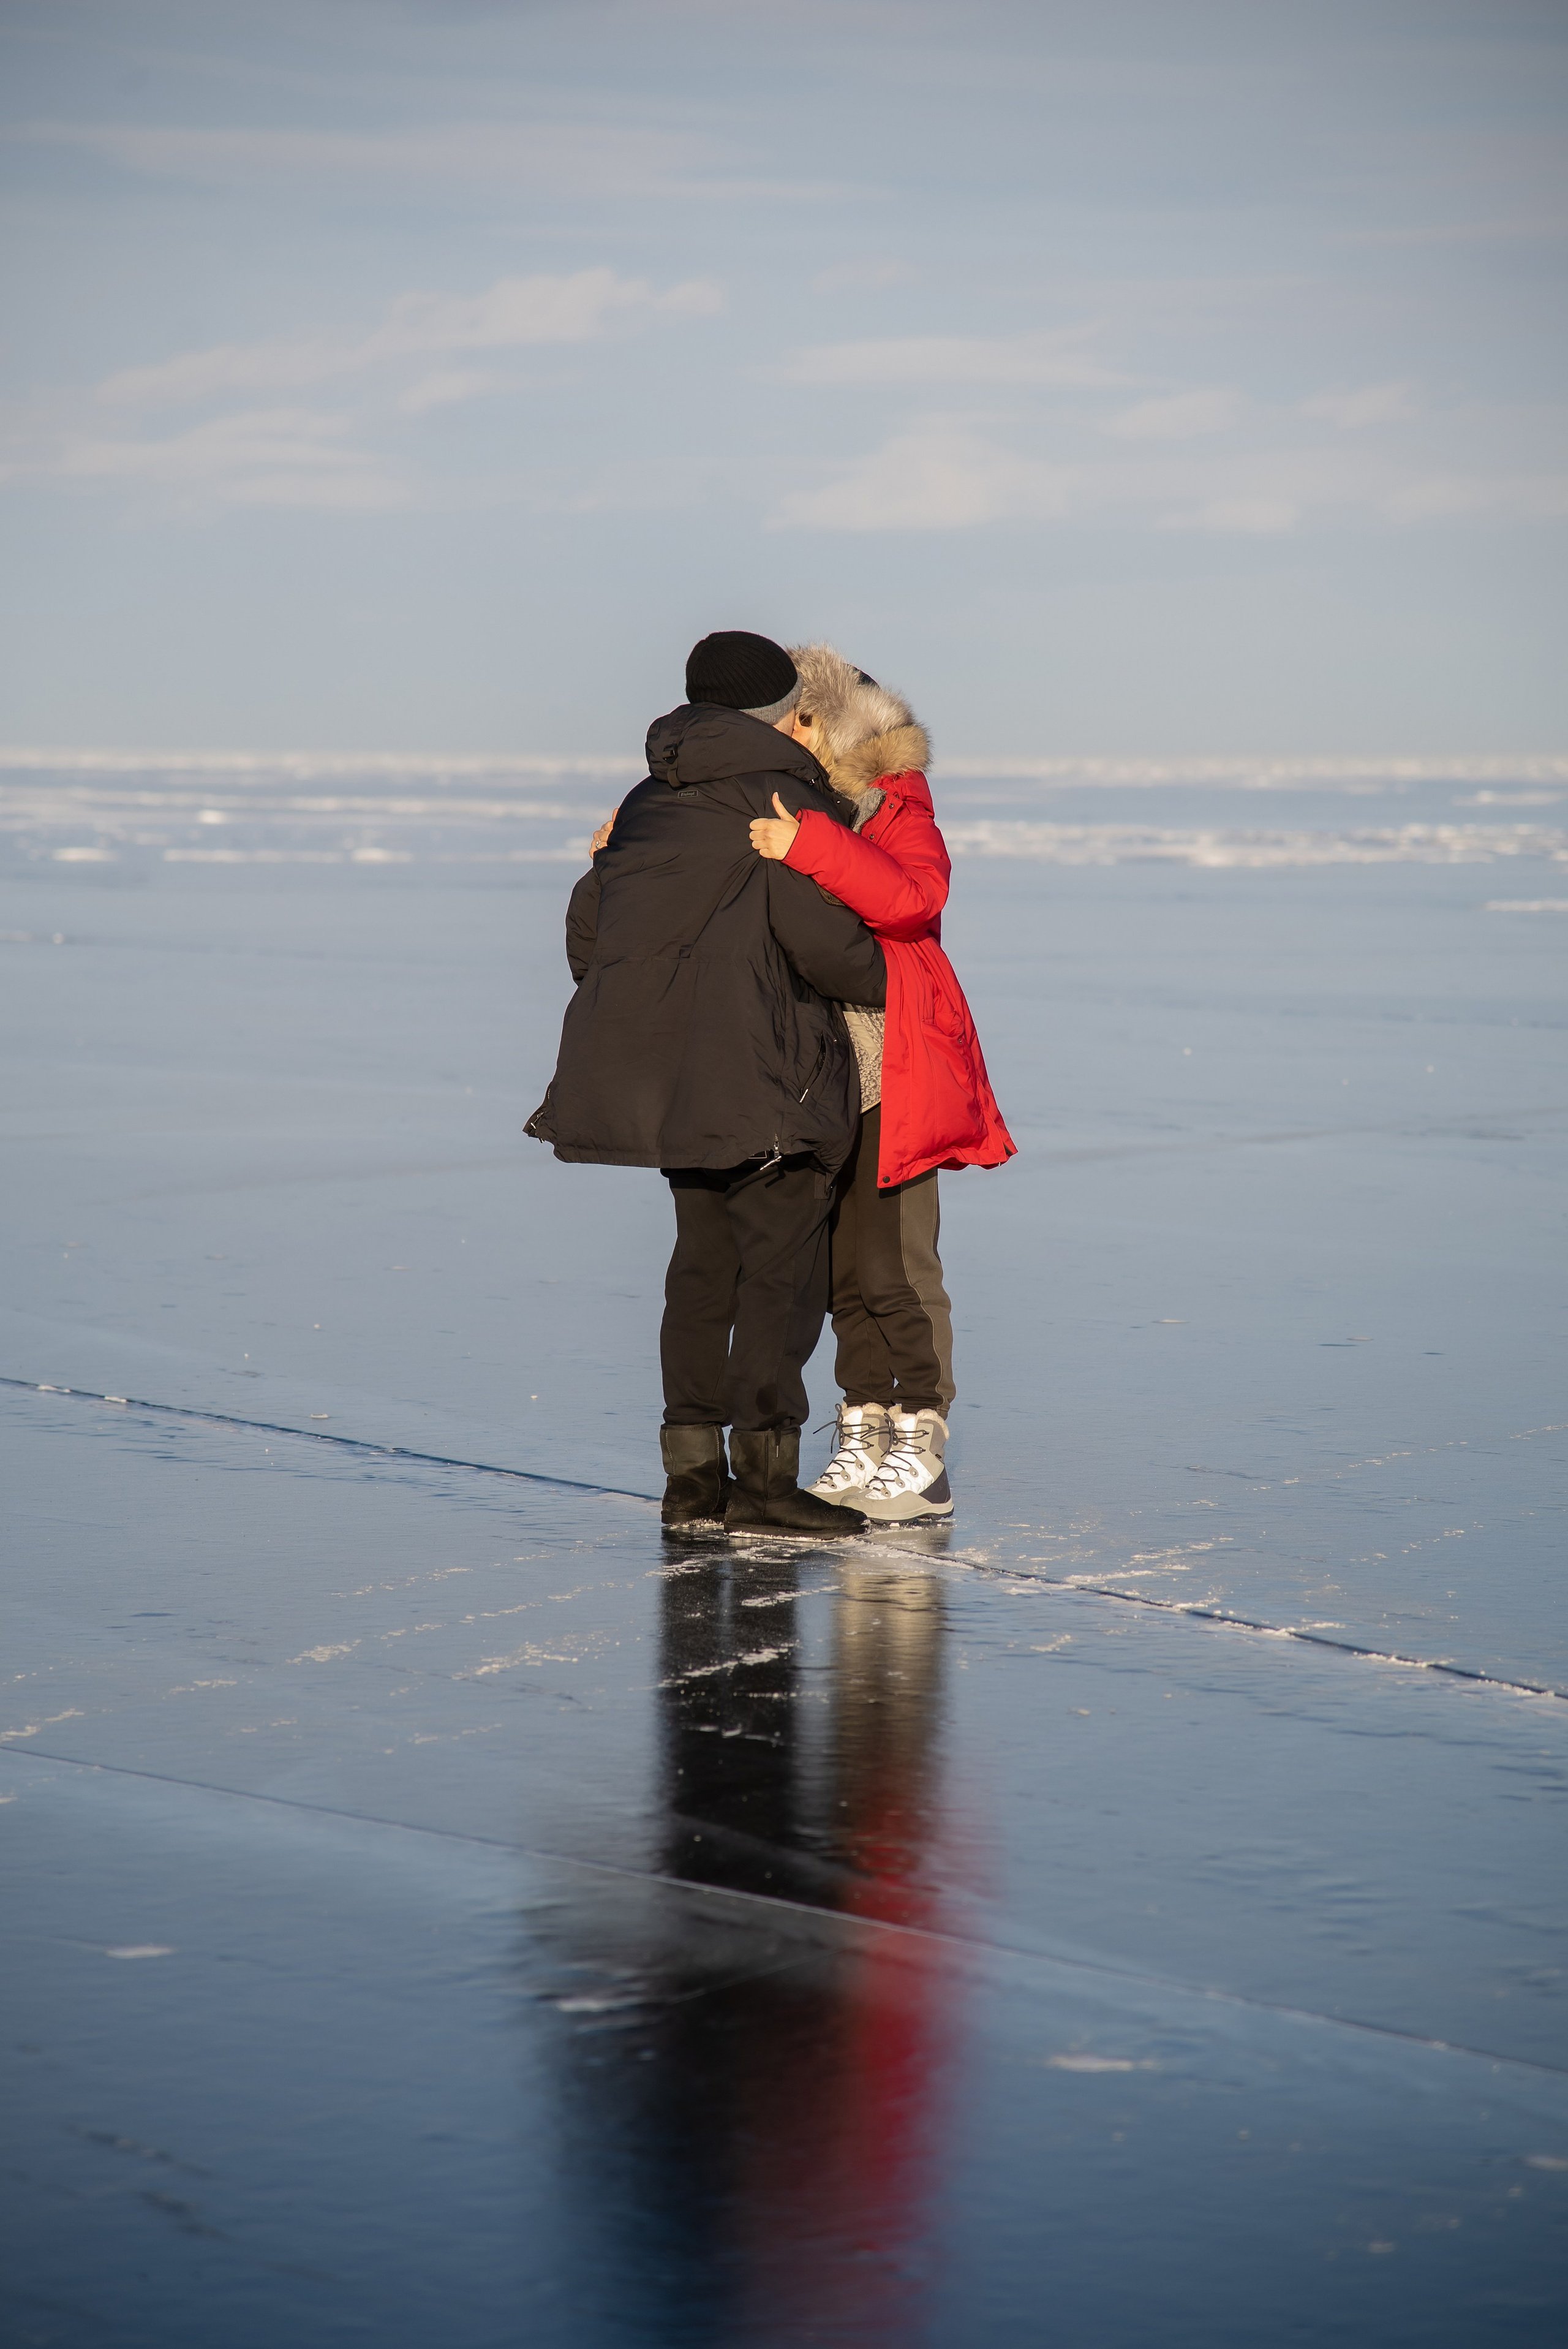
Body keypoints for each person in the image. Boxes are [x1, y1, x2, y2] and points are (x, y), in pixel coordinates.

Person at [526, 631, 885, 1537]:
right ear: (780, 713)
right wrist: (890, 968)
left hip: (678, 1088)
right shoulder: (790, 803)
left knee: (699, 1275)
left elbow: (588, 943)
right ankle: (764, 1485)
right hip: (772, 1084)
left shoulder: (648, 802)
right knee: (777, 1285)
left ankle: (692, 1487)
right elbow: (833, 952)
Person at [747, 643, 1015, 1522]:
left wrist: (811, 846)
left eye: (798, 716)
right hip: (836, 1070)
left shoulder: (897, 803)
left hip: (902, 1061)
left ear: (825, 723)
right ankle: (864, 1428)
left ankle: (922, 1447)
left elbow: (913, 900)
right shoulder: (806, 803)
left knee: (900, 1259)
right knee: (846, 1265)